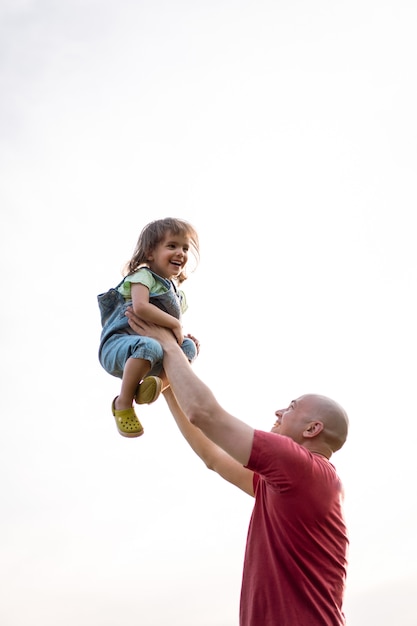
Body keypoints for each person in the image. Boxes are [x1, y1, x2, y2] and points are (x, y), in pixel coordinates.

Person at [125, 309, 350, 626]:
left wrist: (167, 343)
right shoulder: (291, 482)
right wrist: (169, 383)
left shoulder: (298, 464)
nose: (279, 410)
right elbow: (213, 456)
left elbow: (205, 414)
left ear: (312, 429)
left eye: (292, 407)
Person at [97, 217, 200, 438]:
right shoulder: (142, 276)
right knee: (150, 345)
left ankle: (154, 387)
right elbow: (141, 308)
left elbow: (165, 331)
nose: (181, 253)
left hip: (152, 352)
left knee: (190, 347)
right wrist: (174, 324)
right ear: (150, 253)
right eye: (172, 246)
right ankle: (123, 402)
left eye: (184, 247)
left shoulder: (177, 295)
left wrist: (181, 338)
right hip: (121, 346)